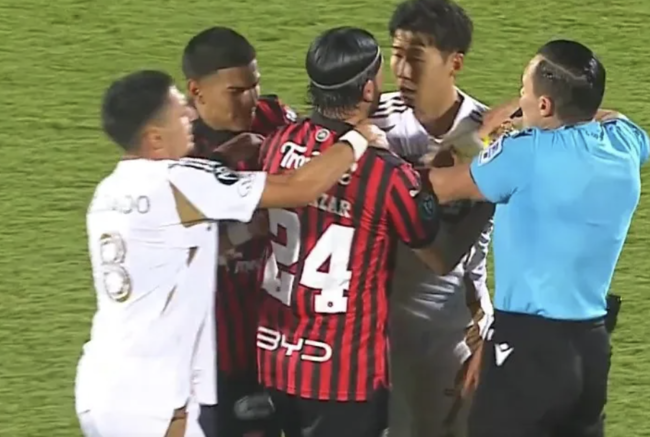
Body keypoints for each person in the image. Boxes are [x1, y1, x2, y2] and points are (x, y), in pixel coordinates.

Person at [75, 69, 381, 437]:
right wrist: (357, 139)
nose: (191, 114)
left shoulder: (108, 192)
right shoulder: (179, 181)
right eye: (180, 111)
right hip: (152, 393)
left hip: (102, 381)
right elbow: (298, 187)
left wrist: (245, 231)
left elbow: (176, 253)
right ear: (155, 139)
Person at [255, 26, 493, 437]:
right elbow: (440, 258)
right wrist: (488, 193)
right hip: (342, 373)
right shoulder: (385, 174)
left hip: (274, 357)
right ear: (368, 89)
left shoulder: (277, 144)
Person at [428, 40, 649, 437]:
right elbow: (611, 115)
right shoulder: (626, 142)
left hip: (530, 347)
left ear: (545, 105)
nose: (519, 99)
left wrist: (368, 153)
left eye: (524, 91)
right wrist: (537, 112)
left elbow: (438, 188)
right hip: (591, 348)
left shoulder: (524, 154)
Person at [370, 0, 494, 437]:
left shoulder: (487, 139)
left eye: (417, 57)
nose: (402, 70)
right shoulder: (371, 122)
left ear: (454, 62)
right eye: (396, 54)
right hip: (376, 330)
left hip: (453, 332)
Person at [181, 26, 295, 437]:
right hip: (214, 348)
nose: (250, 100)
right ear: (197, 91)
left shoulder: (274, 118)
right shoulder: (178, 151)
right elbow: (171, 251)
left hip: (281, 337)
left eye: (254, 86)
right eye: (236, 91)